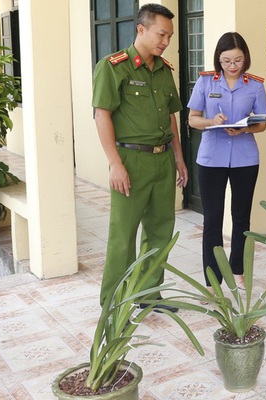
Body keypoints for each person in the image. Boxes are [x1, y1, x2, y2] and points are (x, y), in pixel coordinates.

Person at [92, 4, 188, 310]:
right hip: (130, 161)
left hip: (162, 160)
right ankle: (113, 303)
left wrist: (180, 159)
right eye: (161, 34)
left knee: (160, 230)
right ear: (141, 29)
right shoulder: (113, 66)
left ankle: (148, 294)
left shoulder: (163, 69)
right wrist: (115, 164)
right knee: (123, 234)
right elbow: (101, 115)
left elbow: (171, 116)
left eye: (170, 36)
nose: (165, 41)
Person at [187, 32, 266, 291]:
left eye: (238, 60)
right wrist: (212, 122)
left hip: (245, 158)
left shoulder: (254, 85)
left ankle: (238, 270)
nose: (233, 66)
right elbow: (192, 119)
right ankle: (213, 280)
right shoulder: (206, 82)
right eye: (226, 61)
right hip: (212, 159)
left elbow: (262, 124)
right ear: (218, 59)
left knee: (241, 217)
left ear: (245, 59)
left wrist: (244, 129)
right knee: (212, 219)